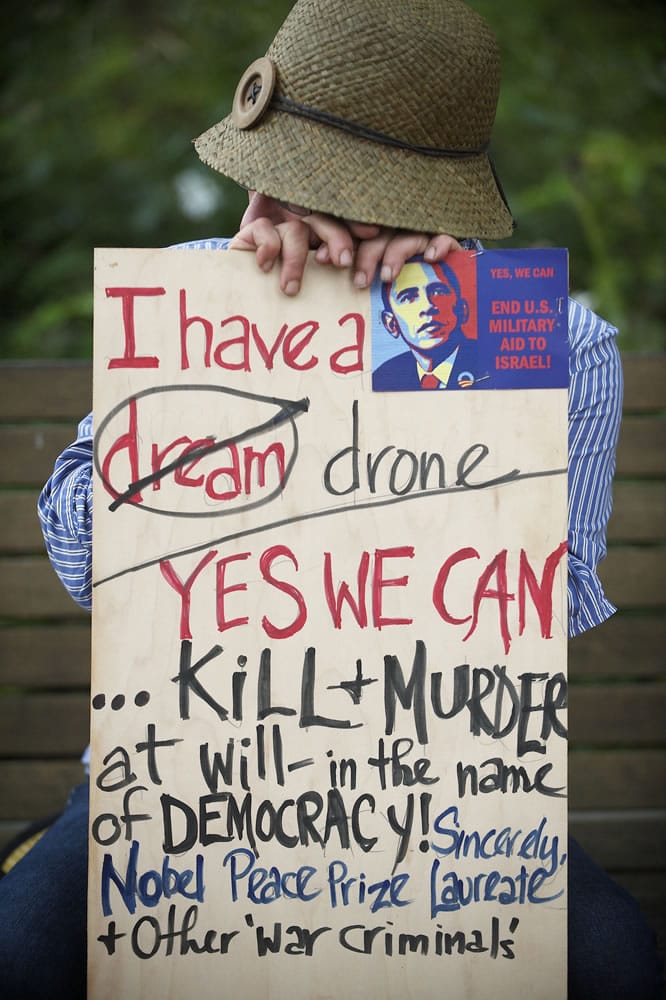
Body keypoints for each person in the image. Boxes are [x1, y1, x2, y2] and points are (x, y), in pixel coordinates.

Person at [0, 1, 662, 998]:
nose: (325, 217)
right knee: (21, 956)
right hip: (174, 793)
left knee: (621, 969)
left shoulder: (553, 341)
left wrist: (450, 360)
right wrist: (223, 345)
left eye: (357, 198)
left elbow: (540, 614)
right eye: (303, 182)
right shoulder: (186, 298)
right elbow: (97, 570)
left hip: (443, 799)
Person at [374, 258, 476, 390]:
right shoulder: (384, 378)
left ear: (462, 310)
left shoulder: (489, 365)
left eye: (438, 292)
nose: (427, 306)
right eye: (408, 297)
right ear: (391, 324)